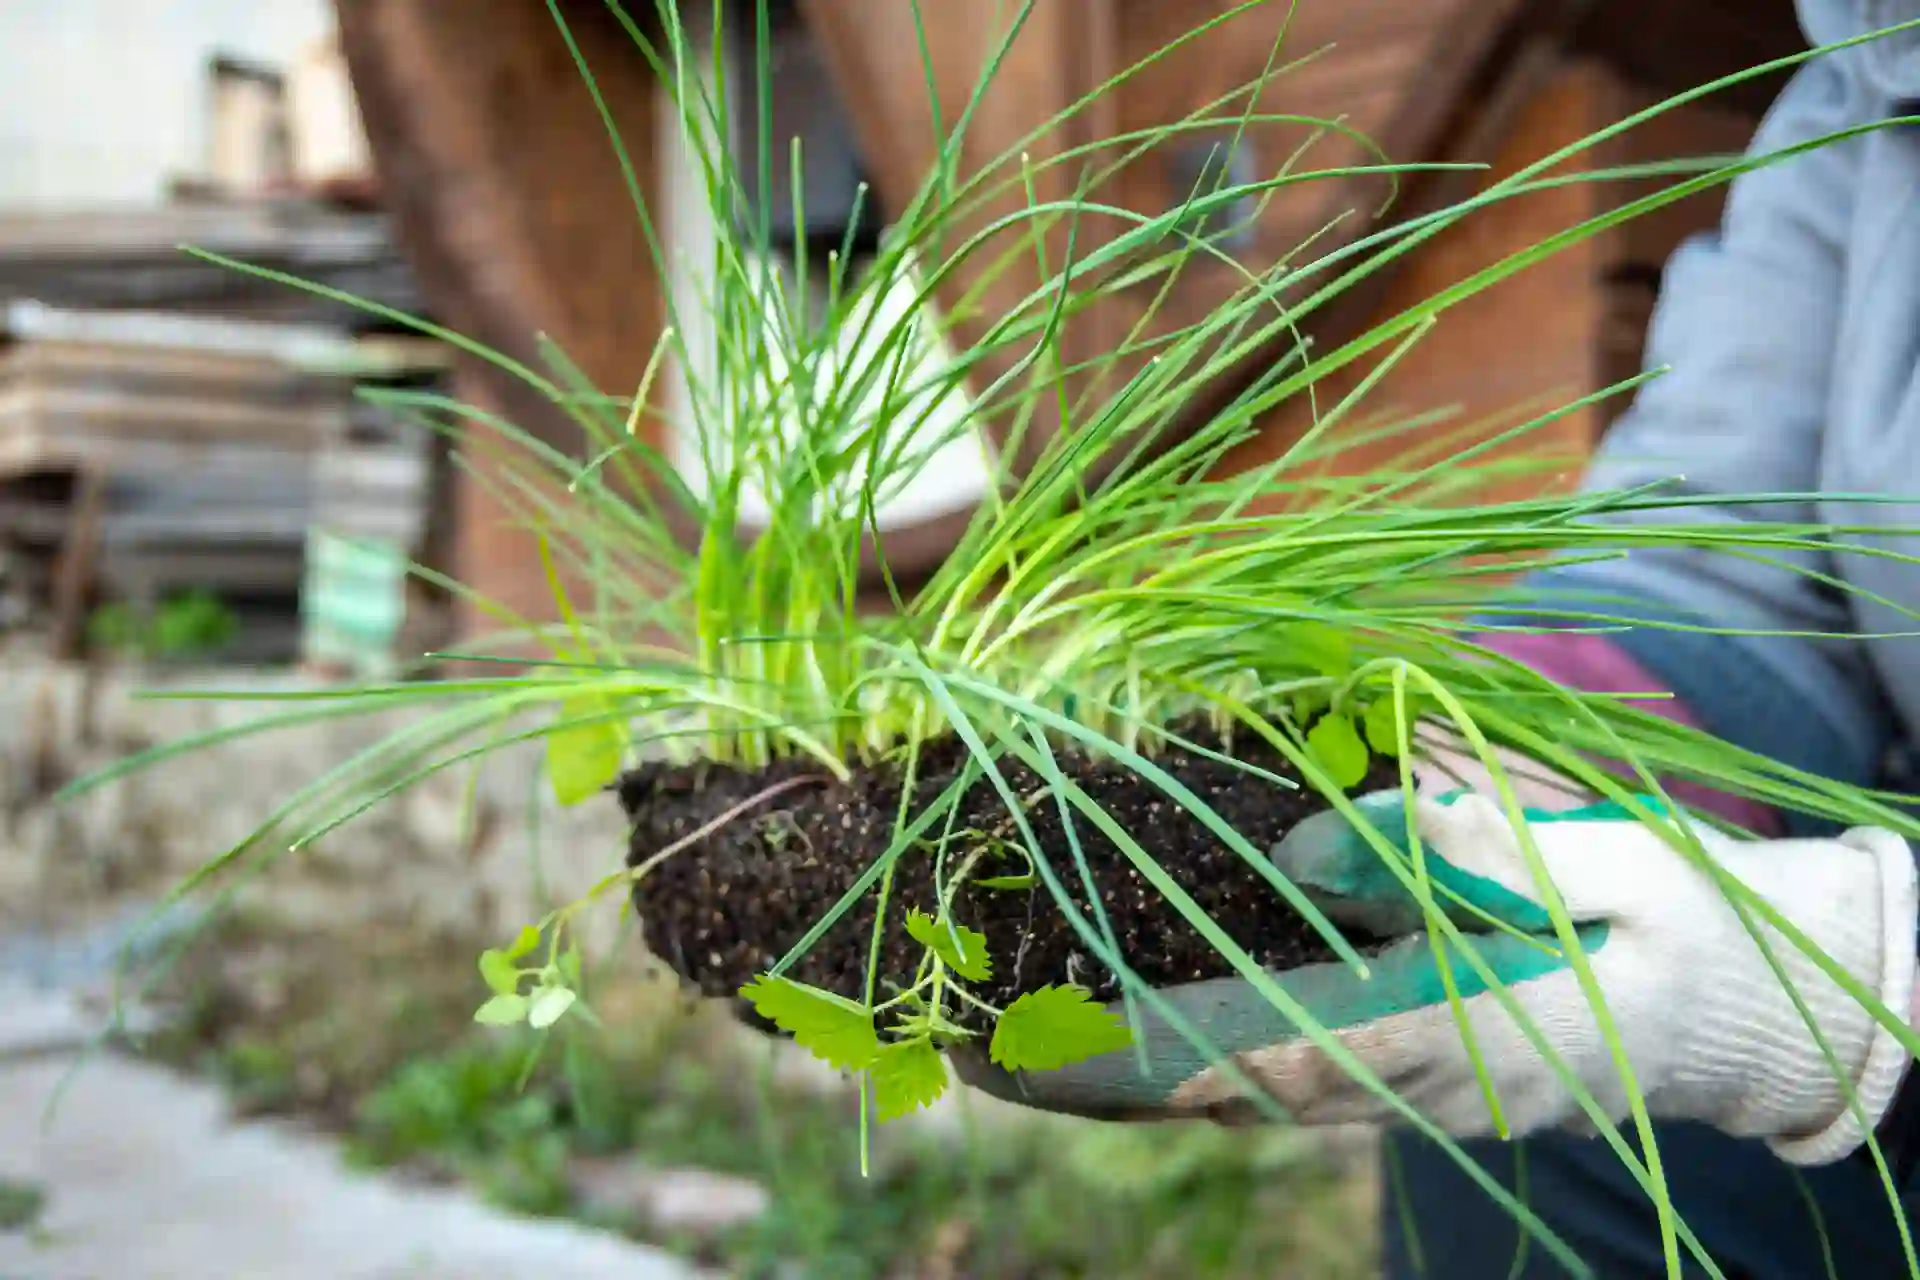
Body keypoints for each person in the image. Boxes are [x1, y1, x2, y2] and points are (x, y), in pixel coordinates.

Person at [953, 1, 1920, 1274]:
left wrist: (1841, 983)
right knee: (1500, 1017)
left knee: (1623, 1033)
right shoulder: (1884, 61)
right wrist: (1540, 723)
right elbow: (1740, 533)